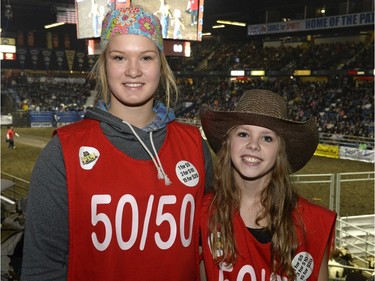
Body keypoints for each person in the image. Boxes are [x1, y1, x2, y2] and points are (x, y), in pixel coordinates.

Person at [21, 6, 212, 281]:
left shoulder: (195, 146)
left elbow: (209, 249)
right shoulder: (63, 152)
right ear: (104, 64)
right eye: (120, 57)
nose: (133, 71)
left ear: (161, 64)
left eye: (146, 57)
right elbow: (43, 267)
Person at [199, 89, 337, 281]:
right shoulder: (203, 213)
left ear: (280, 151)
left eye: (267, 138)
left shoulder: (312, 224)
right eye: (243, 134)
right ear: (228, 142)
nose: (253, 145)